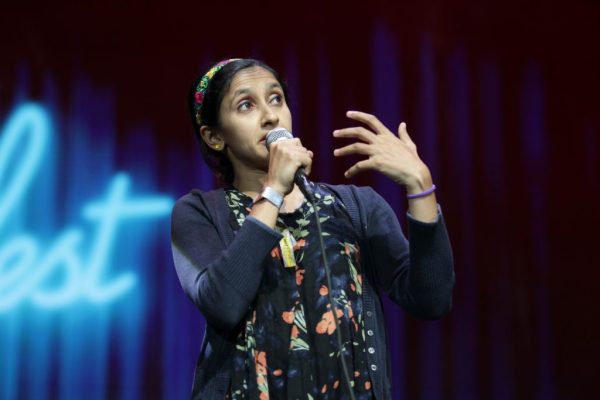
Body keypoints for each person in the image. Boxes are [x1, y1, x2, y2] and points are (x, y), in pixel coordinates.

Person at [171, 58, 455, 400]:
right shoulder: (199, 211)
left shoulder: (355, 207)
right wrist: (274, 190)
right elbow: (223, 304)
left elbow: (431, 299)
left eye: (276, 99)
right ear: (215, 137)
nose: (271, 116)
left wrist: (420, 185)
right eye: (246, 105)